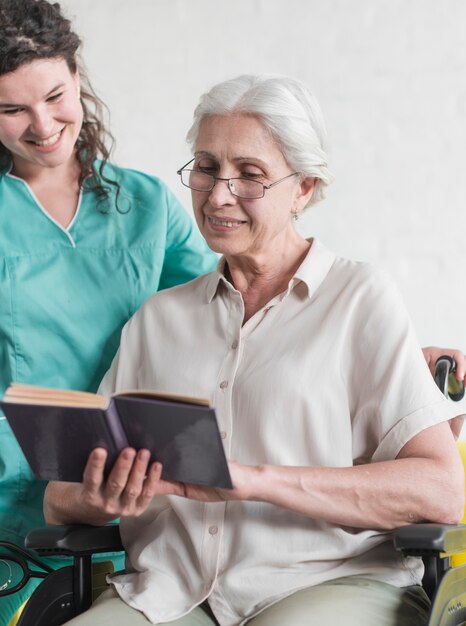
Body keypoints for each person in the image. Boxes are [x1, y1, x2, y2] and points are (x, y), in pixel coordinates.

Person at [44, 74, 466, 626]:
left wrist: (252, 480)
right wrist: (104, 496)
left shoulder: (360, 298)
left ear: (304, 189)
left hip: (326, 582)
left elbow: (439, 492)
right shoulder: (158, 319)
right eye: (205, 168)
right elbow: (57, 498)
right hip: (171, 593)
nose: (219, 195)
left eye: (250, 175)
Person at [0, 1, 217, 624]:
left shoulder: (145, 204)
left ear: (77, 77)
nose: (42, 125)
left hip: (114, 496)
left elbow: (238, 316)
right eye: (12, 109)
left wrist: (372, 354)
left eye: (56, 96)